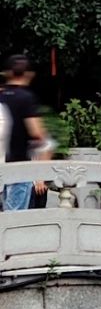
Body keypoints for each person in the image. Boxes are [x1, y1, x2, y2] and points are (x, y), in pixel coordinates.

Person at [1, 55, 50, 211]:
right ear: (29, 74)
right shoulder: (26, 98)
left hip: (2, 164)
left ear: (7, 73)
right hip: (19, 167)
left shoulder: (1, 96)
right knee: (14, 218)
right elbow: (37, 134)